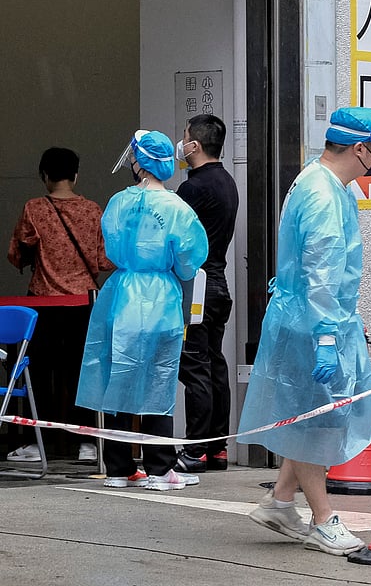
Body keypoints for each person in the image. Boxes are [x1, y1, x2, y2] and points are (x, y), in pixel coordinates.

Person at [240, 107, 371, 556]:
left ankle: (282, 501)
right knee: (311, 421)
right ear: (360, 149)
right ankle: (323, 519)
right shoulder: (324, 195)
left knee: (308, 415)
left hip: (309, 316)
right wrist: (326, 335)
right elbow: (321, 270)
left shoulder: (321, 183)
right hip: (312, 322)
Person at [75, 131, 208, 491]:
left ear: (139, 161)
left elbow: (111, 249)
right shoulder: (178, 209)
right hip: (160, 298)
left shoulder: (118, 202)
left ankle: (118, 469)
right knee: (158, 381)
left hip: (120, 296)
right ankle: (159, 469)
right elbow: (189, 262)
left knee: (117, 377)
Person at [6, 147, 114, 463]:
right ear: (75, 175)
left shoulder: (34, 209)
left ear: (44, 176)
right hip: (83, 304)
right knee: (81, 373)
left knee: (39, 374)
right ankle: (85, 443)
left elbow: (16, 253)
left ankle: (38, 441)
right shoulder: (92, 210)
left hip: (43, 303)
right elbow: (104, 259)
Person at [174, 114, 240, 474]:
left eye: (184, 138)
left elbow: (179, 240)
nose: (181, 144)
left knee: (195, 365)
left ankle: (194, 449)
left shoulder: (193, 188)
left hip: (197, 286)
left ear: (194, 146)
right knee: (214, 363)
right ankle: (217, 448)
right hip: (219, 284)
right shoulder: (227, 182)